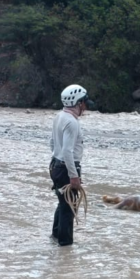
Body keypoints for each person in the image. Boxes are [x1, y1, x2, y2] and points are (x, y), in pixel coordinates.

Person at [49, 84, 94, 246]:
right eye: (84, 103)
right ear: (79, 103)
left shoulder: (59, 116)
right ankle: (65, 245)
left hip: (55, 165)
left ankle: (55, 236)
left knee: (62, 203)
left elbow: (52, 143)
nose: (86, 107)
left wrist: (57, 162)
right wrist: (74, 176)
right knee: (69, 208)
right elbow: (68, 151)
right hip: (66, 168)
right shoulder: (72, 122)